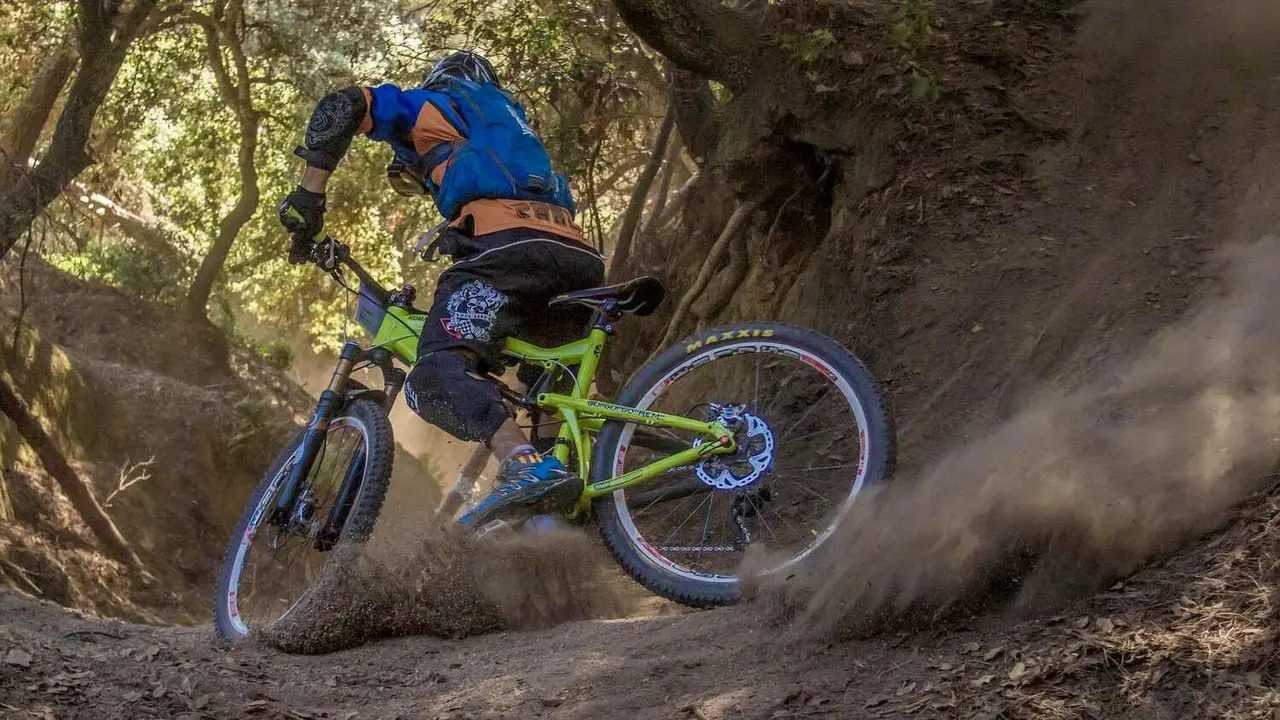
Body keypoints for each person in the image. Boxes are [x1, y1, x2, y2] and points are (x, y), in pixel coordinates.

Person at [277, 51, 605, 528]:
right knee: (546, 393)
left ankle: (521, 463)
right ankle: (571, 509)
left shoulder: (440, 102)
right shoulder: (514, 128)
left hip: (507, 252)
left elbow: (345, 105)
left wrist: (308, 197)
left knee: (435, 373)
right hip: (577, 259)